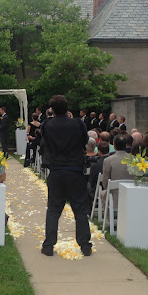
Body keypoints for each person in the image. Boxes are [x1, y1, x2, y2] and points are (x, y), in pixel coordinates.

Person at [40, 95, 92, 257]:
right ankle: (85, 245)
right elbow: (85, 140)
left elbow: (45, 141)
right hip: (75, 170)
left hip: (56, 171)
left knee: (54, 209)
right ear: (67, 108)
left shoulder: (47, 125)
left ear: (52, 110)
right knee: (80, 209)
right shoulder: (78, 124)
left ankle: (49, 245)